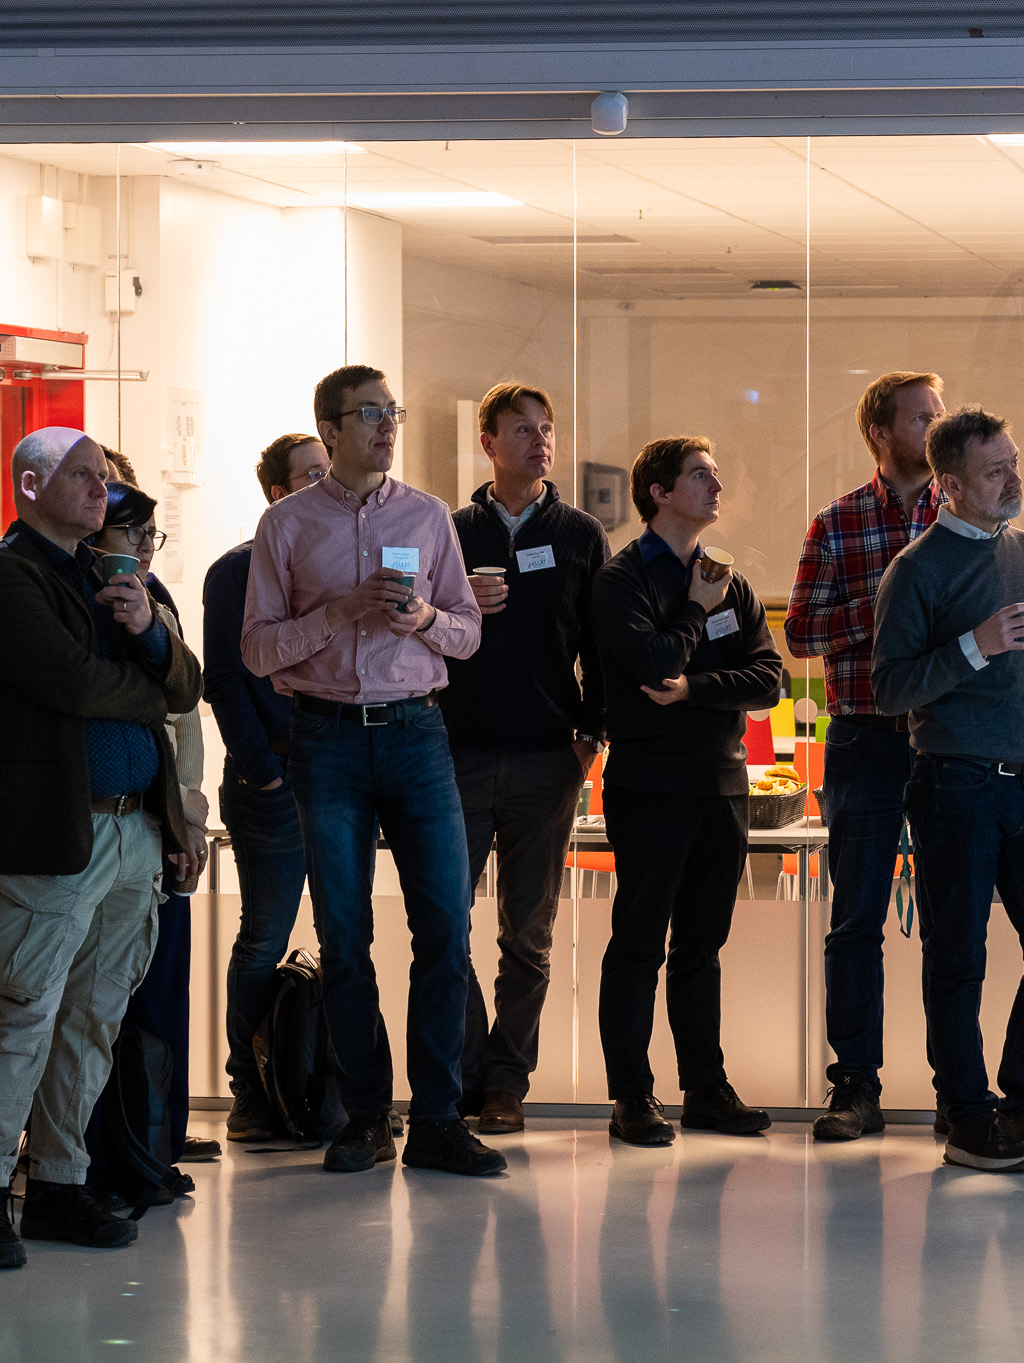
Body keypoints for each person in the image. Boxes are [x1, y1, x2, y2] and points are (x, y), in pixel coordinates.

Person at [0, 428, 204, 1270]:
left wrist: (153, 635)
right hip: (54, 832)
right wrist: (145, 687)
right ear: (30, 485)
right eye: (84, 475)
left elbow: (186, 682)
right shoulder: (0, 577)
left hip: (132, 830)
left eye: (103, 477)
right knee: (24, 1015)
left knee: (94, 1017)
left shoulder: (111, 574)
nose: (102, 489)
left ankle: (61, 1181)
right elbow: (72, 684)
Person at [242, 365, 503, 1178]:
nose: (387, 425)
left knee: (446, 929)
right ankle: (364, 1116)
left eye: (393, 411)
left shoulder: (427, 516)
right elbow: (257, 649)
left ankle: (437, 1119)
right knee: (344, 936)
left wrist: (423, 616)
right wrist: (339, 612)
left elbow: (467, 632)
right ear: (330, 430)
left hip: (418, 734)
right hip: (325, 740)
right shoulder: (284, 526)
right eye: (369, 413)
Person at [872, 405, 1024, 1174]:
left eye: (1014, 461)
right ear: (950, 486)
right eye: (995, 469)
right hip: (955, 786)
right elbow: (890, 688)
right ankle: (968, 1117)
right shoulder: (915, 570)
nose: (1013, 478)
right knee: (958, 959)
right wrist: (976, 644)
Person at [591, 435, 784, 1147]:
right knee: (639, 942)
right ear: (659, 492)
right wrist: (698, 611)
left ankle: (705, 1089)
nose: (717, 484)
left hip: (721, 785)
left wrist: (695, 688)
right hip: (650, 784)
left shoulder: (730, 579)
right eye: (701, 474)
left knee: (702, 945)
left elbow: (769, 679)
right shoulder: (621, 579)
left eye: (716, 472)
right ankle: (631, 1096)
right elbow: (651, 663)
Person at [784, 370, 945, 1142]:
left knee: (952, 921)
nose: (936, 427)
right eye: (922, 417)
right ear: (880, 432)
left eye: (940, 414)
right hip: (863, 738)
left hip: (948, 741)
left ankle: (960, 1089)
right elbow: (801, 633)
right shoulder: (836, 522)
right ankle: (854, 1086)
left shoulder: (964, 516)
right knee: (854, 922)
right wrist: (884, 604)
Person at [444, 383, 608, 1135]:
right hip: (458, 756)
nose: (540, 440)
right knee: (444, 925)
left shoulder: (579, 534)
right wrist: (456, 611)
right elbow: (421, 636)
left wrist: (590, 735)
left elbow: (600, 646)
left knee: (527, 934)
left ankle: (507, 1082)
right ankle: (463, 1072)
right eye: (521, 429)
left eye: (546, 428)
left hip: (548, 759)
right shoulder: (451, 532)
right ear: (488, 443)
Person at [203, 432, 345, 1143]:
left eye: (329, 471)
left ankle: (336, 1092)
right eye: (312, 474)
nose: (327, 482)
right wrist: (262, 768)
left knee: (345, 934)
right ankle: (250, 1092)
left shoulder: (343, 570)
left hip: (340, 774)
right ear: (278, 494)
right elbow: (225, 682)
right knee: (264, 936)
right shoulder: (236, 571)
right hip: (273, 780)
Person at [80, 478, 219, 1186]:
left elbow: (185, 702)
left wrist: (189, 814)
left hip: (161, 811)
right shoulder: (55, 590)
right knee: (86, 1004)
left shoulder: (154, 599)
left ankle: (151, 1137)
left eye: (150, 535)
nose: (142, 548)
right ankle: (81, 1156)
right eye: (129, 532)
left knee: (152, 988)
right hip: (89, 819)